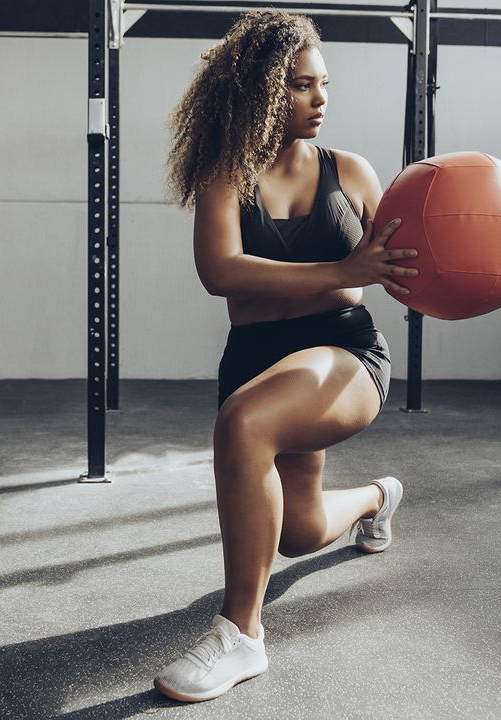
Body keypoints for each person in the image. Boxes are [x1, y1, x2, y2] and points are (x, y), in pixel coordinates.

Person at [152, 10, 418, 703]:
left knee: (244, 424)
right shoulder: (224, 175)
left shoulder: (352, 174)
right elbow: (223, 272)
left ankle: (240, 635)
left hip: (343, 354)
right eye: (302, 86)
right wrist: (345, 265)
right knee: (298, 532)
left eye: (323, 84)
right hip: (258, 358)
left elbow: (407, 263)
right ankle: (377, 498)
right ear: (262, 91)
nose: (320, 99)